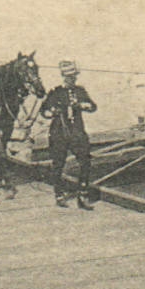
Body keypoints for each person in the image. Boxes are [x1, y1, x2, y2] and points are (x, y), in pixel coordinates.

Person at [40, 61, 97, 208]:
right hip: (59, 132)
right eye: (69, 77)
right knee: (58, 164)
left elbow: (93, 106)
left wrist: (84, 105)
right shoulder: (55, 92)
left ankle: (82, 194)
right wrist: (52, 112)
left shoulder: (80, 91)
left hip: (77, 132)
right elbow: (44, 111)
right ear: (63, 77)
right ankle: (59, 194)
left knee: (85, 161)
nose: (72, 79)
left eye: (74, 76)